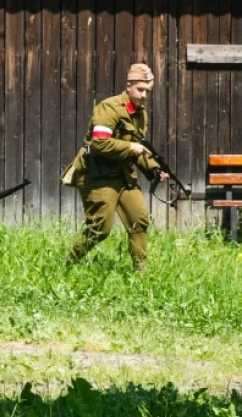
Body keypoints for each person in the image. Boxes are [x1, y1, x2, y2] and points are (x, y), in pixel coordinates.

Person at [65, 63, 167, 271]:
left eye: (148, 91)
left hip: (122, 175)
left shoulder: (140, 114)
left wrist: (154, 169)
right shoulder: (109, 108)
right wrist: (131, 147)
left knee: (139, 220)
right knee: (100, 228)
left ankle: (141, 272)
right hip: (97, 175)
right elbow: (99, 143)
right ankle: (68, 265)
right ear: (128, 86)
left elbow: (138, 148)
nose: (144, 95)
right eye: (140, 90)